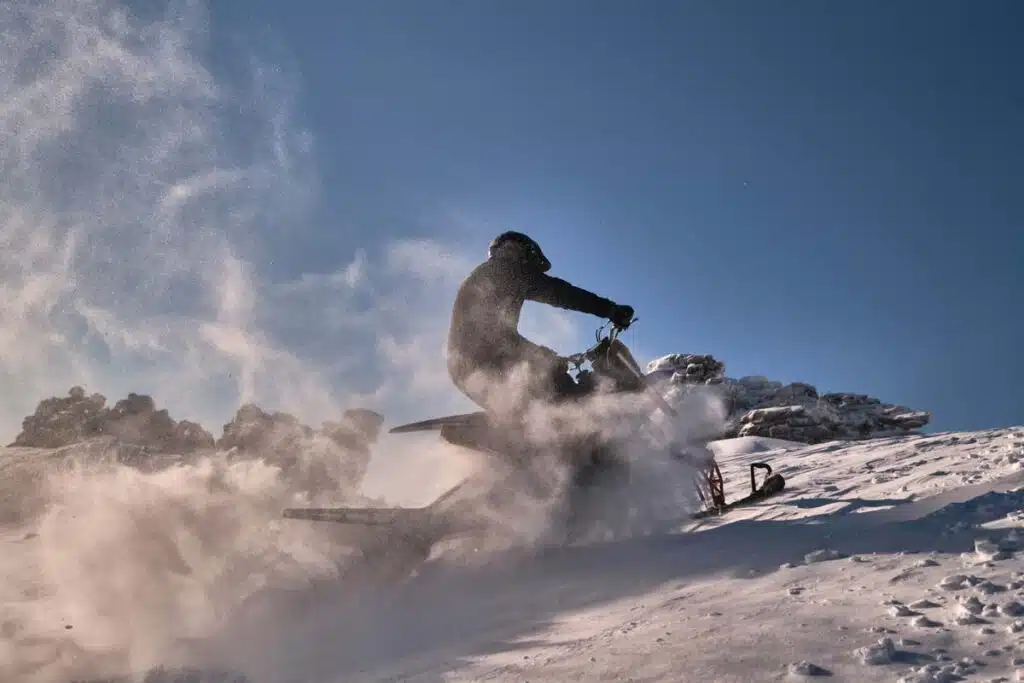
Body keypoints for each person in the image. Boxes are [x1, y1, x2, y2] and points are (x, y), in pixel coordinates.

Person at [446, 231, 634, 420]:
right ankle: (591, 441)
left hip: (467, 367)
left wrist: (542, 356)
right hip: (484, 362)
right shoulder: (506, 270)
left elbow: (495, 334)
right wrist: (610, 309)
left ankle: (546, 441)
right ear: (520, 251)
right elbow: (561, 293)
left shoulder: (488, 274)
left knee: (542, 411)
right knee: (563, 393)